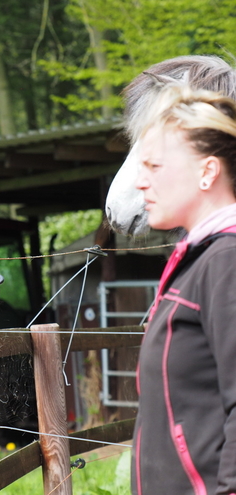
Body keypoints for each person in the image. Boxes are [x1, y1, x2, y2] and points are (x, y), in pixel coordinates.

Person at [132, 84, 236, 495]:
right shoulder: (202, 259)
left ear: (207, 171)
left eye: (155, 167)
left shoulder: (226, 261)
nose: (141, 183)